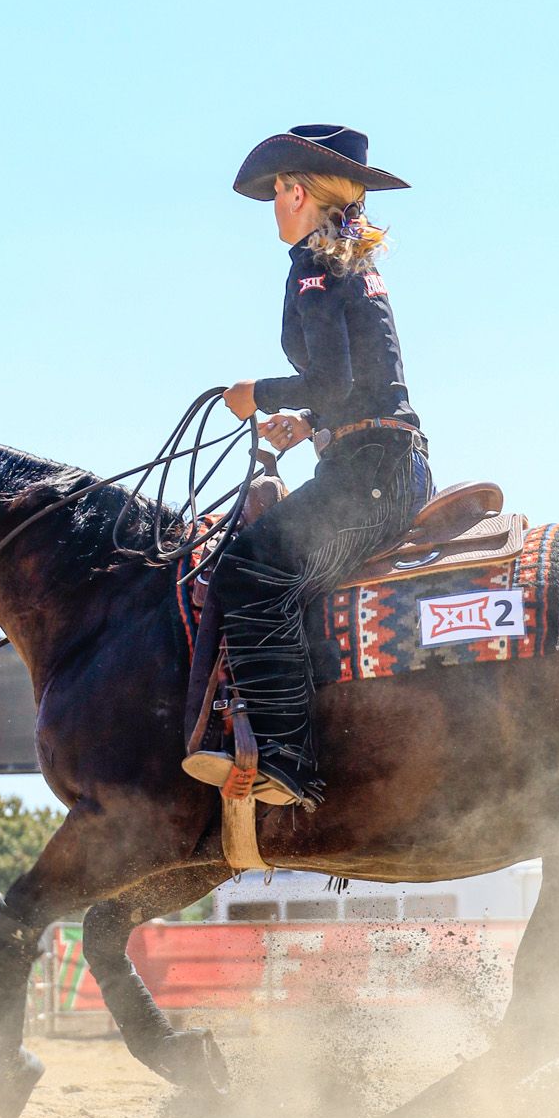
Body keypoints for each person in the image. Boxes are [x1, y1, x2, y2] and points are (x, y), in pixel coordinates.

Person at [183, 124, 433, 808]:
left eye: (274, 193)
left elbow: (329, 376)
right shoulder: (349, 257)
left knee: (247, 572)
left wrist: (255, 397)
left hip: (364, 478)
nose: (272, 206)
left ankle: (288, 757)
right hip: (387, 465)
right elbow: (359, 383)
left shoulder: (313, 263)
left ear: (296, 192)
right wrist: (313, 423)